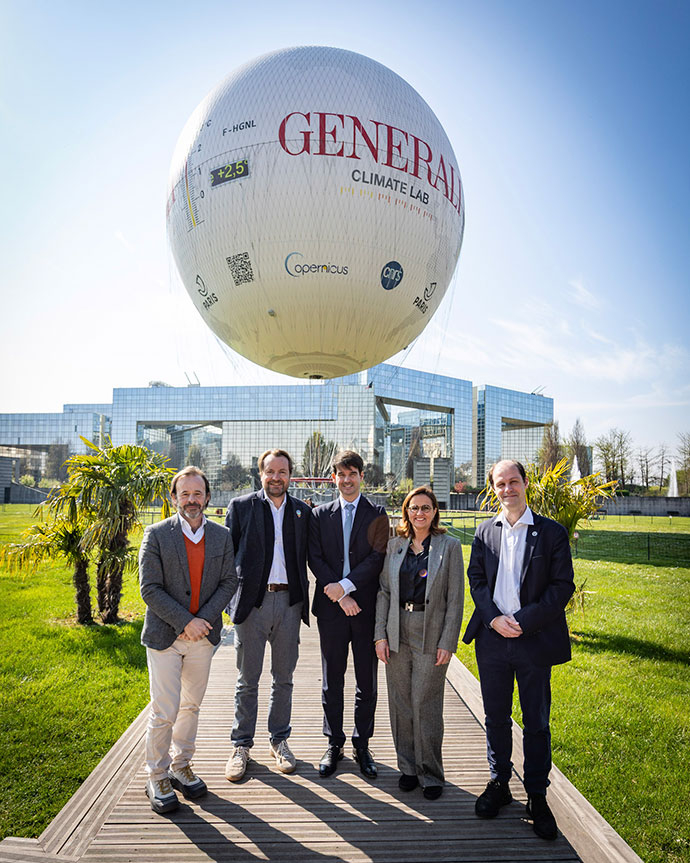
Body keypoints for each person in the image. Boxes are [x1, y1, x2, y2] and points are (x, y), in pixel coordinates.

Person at [462, 459, 574, 841]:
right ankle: (499, 783)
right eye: (499, 483)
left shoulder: (551, 533)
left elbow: (562, 587)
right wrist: (493, 618)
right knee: (495, 716)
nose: (507, 489)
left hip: (533, 639)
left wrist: (524, 620)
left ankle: (537, 795)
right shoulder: (483, 531)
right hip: (492, 640)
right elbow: (475, 580)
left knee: (536, 720)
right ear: (493, 488)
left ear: (526, 484)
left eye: (513, 482)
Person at [139, 466, 237, 814]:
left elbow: (229, 582)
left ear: (207, 497)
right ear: (174, 497)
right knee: (164, 709)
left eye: (198, 494)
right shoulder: (156, 535)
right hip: (165, 636)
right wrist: (186, 621)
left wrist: (203, 621)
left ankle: (181, 765)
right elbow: (149, 588)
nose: (192, 500)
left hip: (202, 638)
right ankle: (157, 774)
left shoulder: (222, 536)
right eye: (185, 494)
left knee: (190, 707)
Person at [224, 449, 310, 781]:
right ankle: (241, 745)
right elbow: (226, 558)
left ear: (291, 475)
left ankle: (280, 741)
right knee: (247, 681)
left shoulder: (303, 512)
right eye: (270, 471)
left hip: (289, 604)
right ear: (260, 474)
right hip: (252, 605)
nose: (276, 477)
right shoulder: (241, 507)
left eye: (282, 472)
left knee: (283, 679)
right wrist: (230, 603)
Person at [375, 486, 464, 800]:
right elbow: (384, 592)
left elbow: (455, 601)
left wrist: (448, 641)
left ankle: (431, 772)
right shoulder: (395, 546)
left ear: (435, 511)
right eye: (414, 508)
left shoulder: (450, 547)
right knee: (400, 702)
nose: (420, 513)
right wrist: (380, 635)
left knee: (424, 703)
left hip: (431, 630)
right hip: (397, 627)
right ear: (406, 512)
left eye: (426, 508)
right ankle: (408, 768)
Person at [309, 450, 390, 778]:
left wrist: (346, 586)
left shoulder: (378, 514)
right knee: (332, 680)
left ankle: (362, 744)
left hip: (366, 609)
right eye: (340, 475)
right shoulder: (320, 515)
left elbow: (377, 558)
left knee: (366, 681)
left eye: (352, 474)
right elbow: (315, 557)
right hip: (331, 609)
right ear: (333, 478)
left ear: (361, 477)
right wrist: (340, 594)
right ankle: (334, 741)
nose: (346, 480)